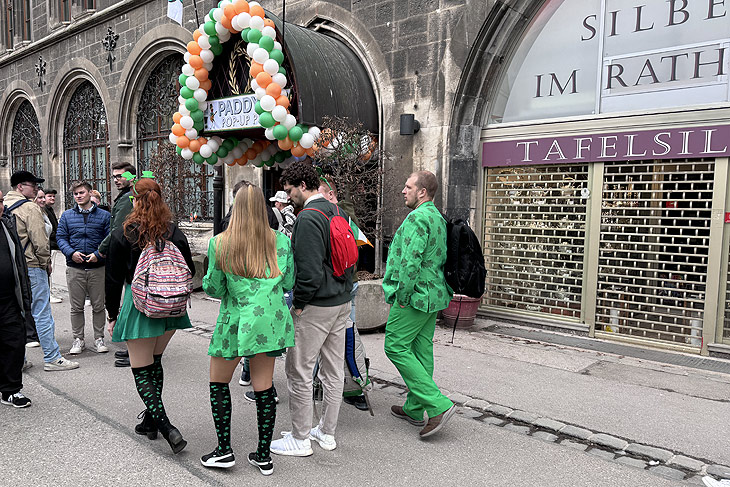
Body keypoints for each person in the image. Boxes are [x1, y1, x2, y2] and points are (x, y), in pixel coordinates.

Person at [201, 183, 295, 475]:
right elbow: (289, 282)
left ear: (236, 207)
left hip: (236, 318)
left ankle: (224, 450)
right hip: (269, 319)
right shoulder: (281, 241)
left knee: (219, 383)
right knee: (264, 386)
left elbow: (214, 287)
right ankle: (264, 456)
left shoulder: (220, 242)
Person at [270, 161, 353, 457]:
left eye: (290, 191)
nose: (288, 196)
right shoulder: (335, 210)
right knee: (332, 372)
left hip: (317, 306)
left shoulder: (307, 218)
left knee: (299, 371)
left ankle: (301, 437)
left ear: (303, 186)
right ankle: (326, 433)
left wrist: (299, 306)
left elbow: (308, 273)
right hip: (342, 302)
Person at [105, 177, 193, 454]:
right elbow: (190, 268)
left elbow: (113, 278)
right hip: (171, 308)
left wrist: (111, 314)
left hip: (140, 305)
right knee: (155, 363)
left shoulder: (125, 232)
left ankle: (167, 427)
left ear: (134, 198)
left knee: (142, 370)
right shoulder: (173, 231)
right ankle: (151, 421)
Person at [383, 171, 455, 438]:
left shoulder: (417, 218)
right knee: (421, 350)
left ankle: (437, 405)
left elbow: (410, 262)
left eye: (408, 186)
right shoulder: (436, 216)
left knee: (395, 346)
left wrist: (401, 296)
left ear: (422, 192)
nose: (404, 190)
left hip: (415, 295)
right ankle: (415, 407)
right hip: (435, 294)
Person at [5, 171, 79, 372]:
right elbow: (39, 240)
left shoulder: (4, 205)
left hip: (10, 266)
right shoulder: (29, 208)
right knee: (42, 311)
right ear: (20, 186)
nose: (37, 188)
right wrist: (46, 262)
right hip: (32, 264)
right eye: (33, 185)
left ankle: (18, 360)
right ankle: (52, 357)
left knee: (16, 313)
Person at [318, 176, 369, 411]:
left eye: (319, 195)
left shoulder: (334, 214)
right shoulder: (347, 213)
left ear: (330, 194)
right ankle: (353, 387)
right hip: (350, 283)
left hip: (339, 286)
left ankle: (346, 387)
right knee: (349, 337)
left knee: (335, 339)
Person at [57, 180, 111, 355]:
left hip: (97, 267)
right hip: (75, 267)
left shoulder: (104, 215)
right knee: (76, 306)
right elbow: (61, 238)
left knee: (98, 305)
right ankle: (78, 339)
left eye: (81, 193)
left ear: (90, 193)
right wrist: (70, 252)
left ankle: (98, 338)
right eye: (75, 194)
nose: (78, 196)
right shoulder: (67, 216)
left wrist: (99, 253)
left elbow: (109, 237)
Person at [98, 162, 136, 368]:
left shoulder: (130, 197)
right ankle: (134, 349)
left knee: (131, 303)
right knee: (129, 302)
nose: (116, 179)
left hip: (128, 255)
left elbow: (119, 230)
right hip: (126, 253)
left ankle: (138, 352)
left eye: (120, 175)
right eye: (114, 176)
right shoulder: (124, 196)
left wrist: (101, 250)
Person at [0, 190, 33, 407]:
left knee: (14, 341)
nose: (0, 206)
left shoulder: (6, 226)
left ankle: (11, 390)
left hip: (8, 299)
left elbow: (18, 261)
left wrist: (25, 294)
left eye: (0, 201)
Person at [44, 189, 63, 304]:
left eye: (53, 196)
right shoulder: (45, 210)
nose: (52, 198)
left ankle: (50, 292)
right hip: (51, 245)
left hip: (54, 245)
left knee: (51, 272)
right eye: (49, 196)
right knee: (49, 271)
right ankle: (49, 294)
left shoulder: (49, 209)